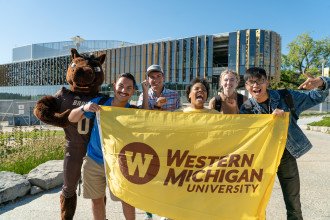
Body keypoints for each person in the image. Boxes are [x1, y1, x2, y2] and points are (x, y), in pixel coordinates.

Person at [240, 67, 330, 220]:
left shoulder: (286, 96)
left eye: (260, 81)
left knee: (293, 203)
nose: (256, 85)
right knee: (254, 203)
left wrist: (321, 82)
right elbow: (245, 137)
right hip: (260, 161)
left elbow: (316, 97)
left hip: (285, 156)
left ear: (267, 82)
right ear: (246, 86)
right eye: (251, 82)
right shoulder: (246, 108)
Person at [68, 73, 149, 220]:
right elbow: (71, 118)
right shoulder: (100, 103)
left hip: (120, 163)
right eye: (121, 86)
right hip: (94, 160)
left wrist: (145, 91)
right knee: (97, 199)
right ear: (114, 86)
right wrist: (84, 108)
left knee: (127, 199)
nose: (124, 90)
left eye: (129, 88)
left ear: (132, 91)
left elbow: (147, 117)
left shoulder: (131, 111)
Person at [137, 64, 181, 220]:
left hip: (169, 142)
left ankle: (166, 212)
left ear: (163, 77)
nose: (155, 80)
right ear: (147, 79)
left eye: (158, 76)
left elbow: (179, 118)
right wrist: (154, 104)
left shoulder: (174, 95)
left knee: (167, 178)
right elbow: (142, 117)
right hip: (150, 142)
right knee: (149, 179)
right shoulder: (144, 95)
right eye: (151, 77)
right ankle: (149, 213)